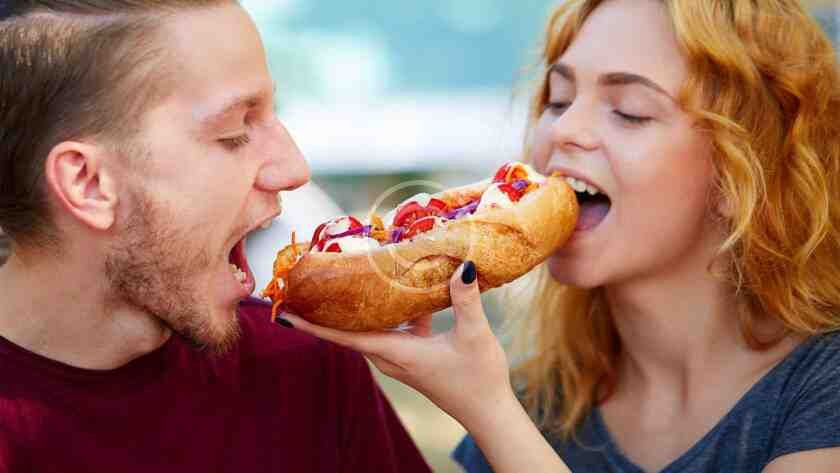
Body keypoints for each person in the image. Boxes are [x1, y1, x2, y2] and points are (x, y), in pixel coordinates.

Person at [282, 0, 840, 472]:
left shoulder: (823, 384)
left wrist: (491, 415)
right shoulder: (536, 403)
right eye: (557, 99)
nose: (564, 129)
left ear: (744, 170)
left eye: (630, 112)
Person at [0, 1, 432, 472]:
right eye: (234, 132)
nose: (294, 169)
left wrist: (482, 403)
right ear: (88, 183)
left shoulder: (305, 366)